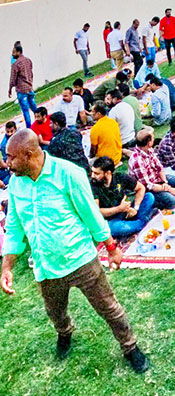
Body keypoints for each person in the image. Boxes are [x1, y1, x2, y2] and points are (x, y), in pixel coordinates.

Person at [1, 130, 149, 372]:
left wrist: (111, 247)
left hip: (81, 260)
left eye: (10, 157)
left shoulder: (69, 174)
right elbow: (15, 226)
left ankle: (130, 347)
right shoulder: (17, 183)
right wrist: (7, 267)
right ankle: (65, 332)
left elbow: (91, 214)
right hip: (47, 267)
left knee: (109, 308)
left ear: (28, 154)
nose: (7, 163)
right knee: (55, 312)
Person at [90, 156, 154, 240]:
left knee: (149, 197)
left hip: (127, 210)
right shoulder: (92, 185)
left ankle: (136, 223)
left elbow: (140, 188)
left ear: (107, 173)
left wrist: (136, 208)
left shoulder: (120, 177)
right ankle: (143, 222)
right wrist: (119, 209)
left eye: (96, 173)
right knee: (113, 228)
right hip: (112, 219)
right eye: (92, 172)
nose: (92, 175)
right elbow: (96, 211)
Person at [129, 129, 175, 210]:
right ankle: (154, 203)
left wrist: (165, 182)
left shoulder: (149, 150)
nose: (154, 139)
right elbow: (148, 186)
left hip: (158, 179)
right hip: (149, 190)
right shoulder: (137, 161)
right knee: (172, 202)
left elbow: (160, 167)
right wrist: (168, 189)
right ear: (149, 143)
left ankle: (166, 193)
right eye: (153, 138)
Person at [8, 44, 36, 128]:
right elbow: (31, 73)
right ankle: (41, 120)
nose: (12, 54)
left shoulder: (15, 64)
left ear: (19, 52)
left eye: (14, 52)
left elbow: (13, 78)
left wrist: (10, 88)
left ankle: (29, 128)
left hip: (21, 90)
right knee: (34, 107)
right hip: (29, 87)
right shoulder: (28, 60)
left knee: (25, 111)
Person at [0, 121, 16, 186]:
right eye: (7, 132)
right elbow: (6, 161)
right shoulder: (4, 145)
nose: (9, 134)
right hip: (9, 165)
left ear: (15, 129)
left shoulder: (20, 135)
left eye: (11, 131)